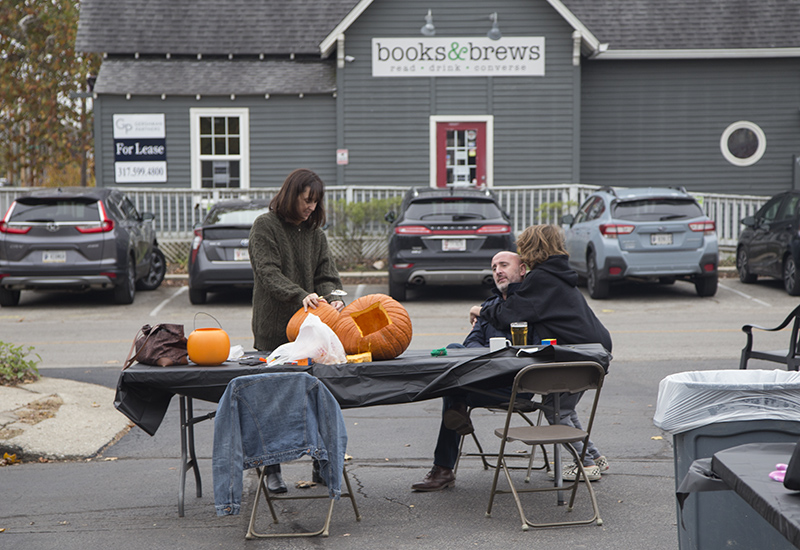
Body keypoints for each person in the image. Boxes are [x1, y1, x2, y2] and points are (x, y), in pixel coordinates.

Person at [474, 224, 612, 481]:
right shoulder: (557, 273)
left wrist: (481, 310)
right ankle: (594, 457)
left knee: (554, 409)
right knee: (563, 409)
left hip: (581, 353)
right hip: (595, 350)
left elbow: (510, 314)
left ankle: (585, 464)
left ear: (531, 247)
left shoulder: (541, 279)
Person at [248, 168, 345, 493]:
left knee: (318, 395)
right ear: (292, 196)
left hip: (313, 331)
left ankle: (321, 462)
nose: (311, 209)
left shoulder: (316, 235)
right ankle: (271, 468)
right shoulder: (265, 226)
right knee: (272, 400)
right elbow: (267, 272)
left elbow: (326, 275)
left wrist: (333, 298)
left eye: (316, 203)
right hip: (274, 329)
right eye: (307, 201)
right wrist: (300, 295)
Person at [412, 251, 529, 491]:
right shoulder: (490, 306)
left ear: (522, 270)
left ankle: (444, 468)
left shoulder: (531, 304)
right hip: (483, 378)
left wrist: (490, 355)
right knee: (454, 351)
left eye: (504, 265)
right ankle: (457, 411)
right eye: (494, 266)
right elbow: (469, 344)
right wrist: (488, 355)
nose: (498, 270)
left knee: (454, 389)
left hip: (516, 384)